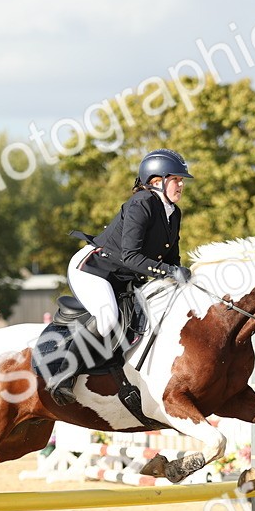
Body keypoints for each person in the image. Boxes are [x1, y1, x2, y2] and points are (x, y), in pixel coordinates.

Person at [49, 148, 193, 404]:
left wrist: (182, 276)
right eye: (177, 179)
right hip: (93, 270)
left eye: (182, 180)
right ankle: (63, 376)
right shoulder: (142, 204)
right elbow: (131, 257)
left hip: (124, 278)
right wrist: (171, 272)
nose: (181, 184)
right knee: (107, 318)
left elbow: (171, 258)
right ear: (156, 181)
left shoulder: (173, 213)